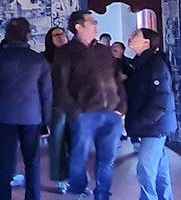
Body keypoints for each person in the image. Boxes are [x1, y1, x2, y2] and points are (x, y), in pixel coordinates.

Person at [52, 10, 126, 200]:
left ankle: (102, 195)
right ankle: (80, 190)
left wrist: (121, 106)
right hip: (85, 116)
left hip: (111, 114)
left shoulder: (103, 50)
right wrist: (76, 112)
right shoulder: (66, 53)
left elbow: (117, 79)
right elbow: (60, 86)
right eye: (92, 22)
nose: (96, 25)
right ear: (79, 27)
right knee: (79, 159)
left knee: (107, 160)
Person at [0, 18, 51, 200]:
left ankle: (3, 197)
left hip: (4, 117)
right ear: (28, 35)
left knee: (4, 161)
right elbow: (46, 94)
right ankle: (33, 197)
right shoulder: (39, 60)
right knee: (32, 161)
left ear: (6, 35)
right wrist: (46, 122)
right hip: (32, 117)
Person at [124, 29, 175, 200]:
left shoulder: (155, 64)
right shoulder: (140, 64)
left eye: (135, 36)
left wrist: (145, 120)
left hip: (154, 125)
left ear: (147, 42)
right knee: (159, 167)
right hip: (151, 124)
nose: (130, 38)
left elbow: (162, 98)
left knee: (145, 166)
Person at [45, 27, 71, 194]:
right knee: (57, 144)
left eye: (62, 34)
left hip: (76, 105)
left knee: (78, 144)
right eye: (56, 35)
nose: (60, 37)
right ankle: (61, 180)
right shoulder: (45, 58)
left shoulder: (76, 54)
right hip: (56, 106)